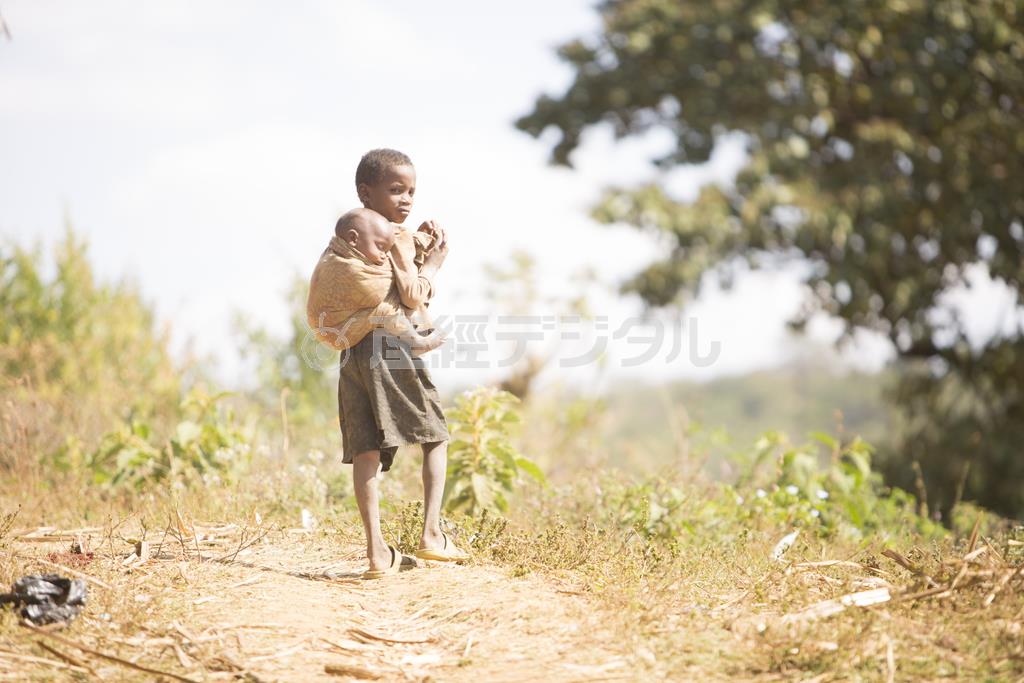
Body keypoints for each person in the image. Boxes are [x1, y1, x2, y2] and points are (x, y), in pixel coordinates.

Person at [339, 148, 467, 579]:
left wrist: (420, 239)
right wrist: (432, 264)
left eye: (411, 191)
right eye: (396, 190)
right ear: (365, 192)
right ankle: (432, 535)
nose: (407, 199)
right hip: (391, 347)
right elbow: (412, 294)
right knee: (435, 434)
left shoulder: (354, 236)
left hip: (354, 348)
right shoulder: (390, 235)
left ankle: (377, 553)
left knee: (366, 447)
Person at [307, 207, 444, 356]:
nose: (385, 256)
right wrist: (429, 267)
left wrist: (414, 245)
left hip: (329, 328)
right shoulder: (348, 268)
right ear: (353, 239)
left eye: (387, 250)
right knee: (386, 309)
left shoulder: (338, 253)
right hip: (337, 329)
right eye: (381, 247)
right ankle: (418, 343)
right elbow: (411, 294)